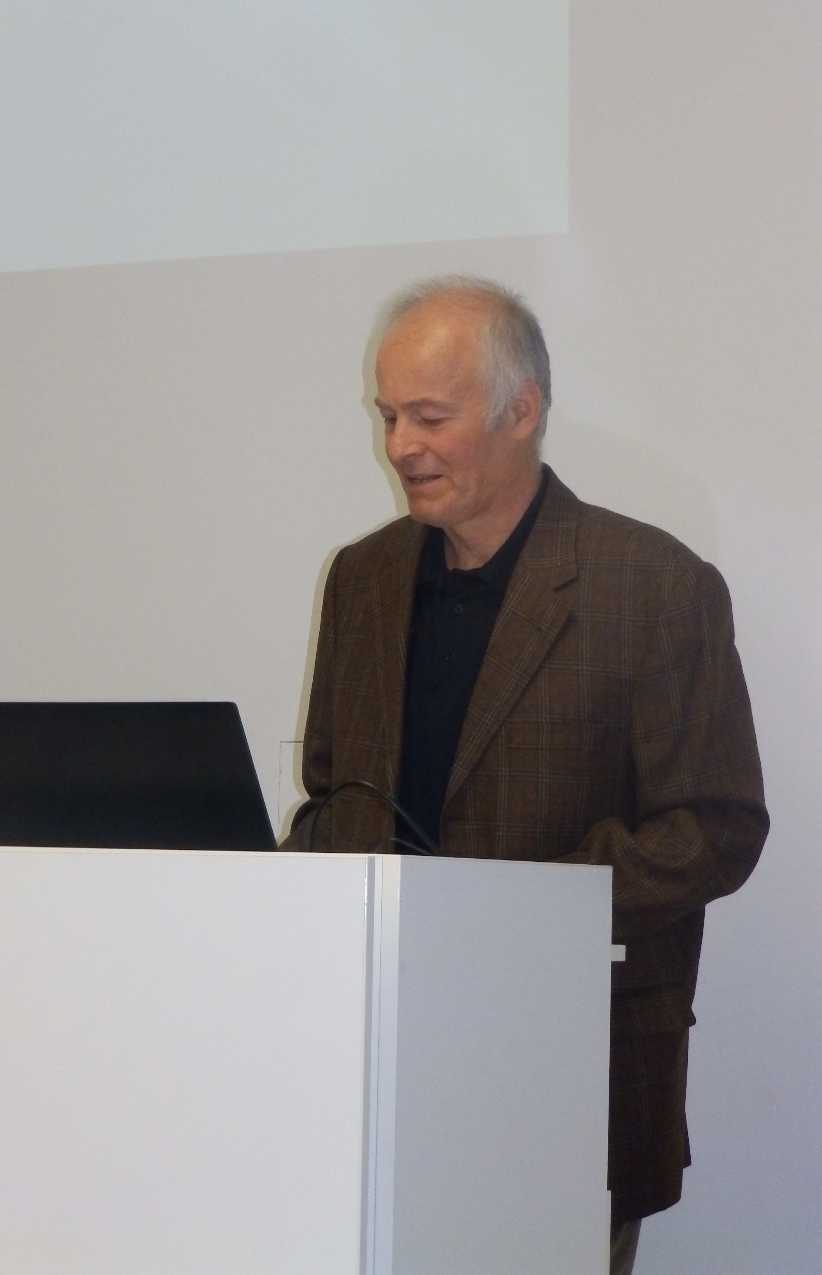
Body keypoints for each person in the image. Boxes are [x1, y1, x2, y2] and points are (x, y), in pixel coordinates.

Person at [283, 277, 769, 1273]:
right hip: (374, 1063)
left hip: (571, 1070)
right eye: (388, 415)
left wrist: (525, 913)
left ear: (521, 410)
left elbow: (715, 828)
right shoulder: (363, 578)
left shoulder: (654, 586)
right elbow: (333, 796)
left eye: (430, 417)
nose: (400, 445)